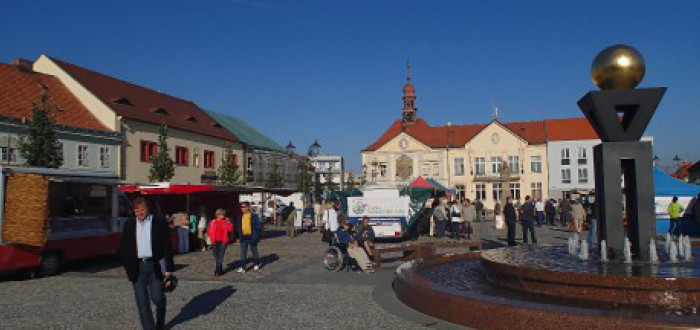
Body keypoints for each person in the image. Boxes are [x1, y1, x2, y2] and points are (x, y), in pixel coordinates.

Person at [121, 197, 174, 330]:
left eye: (142, 210)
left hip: (155, 265)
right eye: (136, 210)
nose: (139, 213)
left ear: (147, 209)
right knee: (142, 302)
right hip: (137, 267)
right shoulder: (129, 224)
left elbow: (167, 245)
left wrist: (169, 268)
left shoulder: (159, 222)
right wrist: (127, 266)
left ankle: (160, 317)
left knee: (157, 297)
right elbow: (125, 247)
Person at [234, 202, 263, 273]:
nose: (242, 208)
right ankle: (243, 267)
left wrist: (257, 236)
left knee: (254, 251)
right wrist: (238, 236)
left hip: (252, 236)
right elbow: (238, 227)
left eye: (243, 207)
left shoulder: (254, 216)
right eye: (241, 207)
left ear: (248, 207)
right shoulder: (240, 216)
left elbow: (259, 227)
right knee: (243, 253)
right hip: (243, 237)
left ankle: (256, 264)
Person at [207, 209, 233, 277]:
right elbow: (208, 231)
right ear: (217, 215)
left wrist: (229, 222)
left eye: (224, 214)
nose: (223, 216)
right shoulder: (212, 222)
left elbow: (230, 229)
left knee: (221, 256)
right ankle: (220, 269)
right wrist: (211, 237)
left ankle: (217, 270)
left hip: (223, 241)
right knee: (216, 256)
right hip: (214, 241)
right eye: (221, 214)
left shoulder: (225, 222)